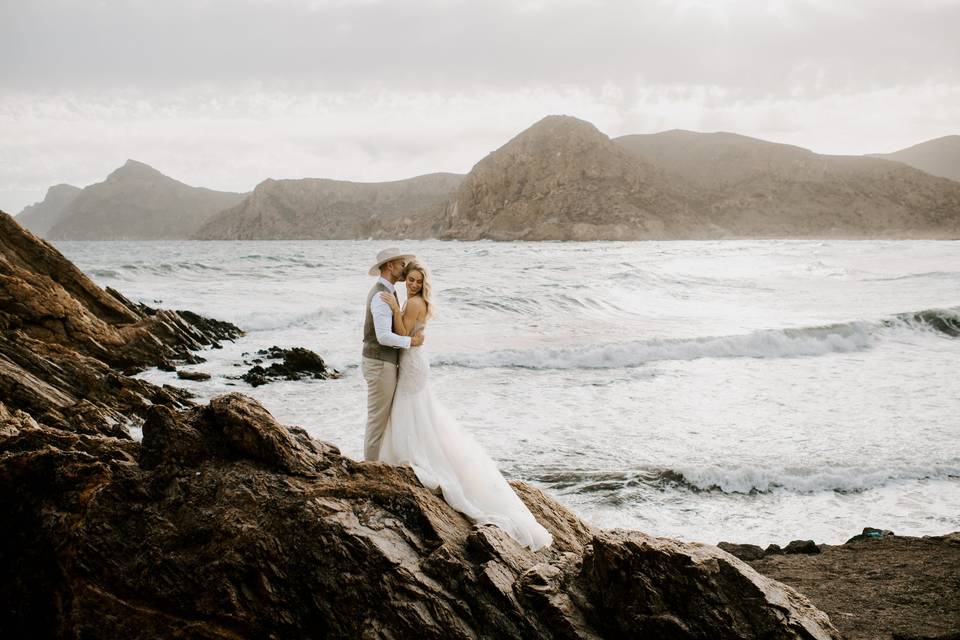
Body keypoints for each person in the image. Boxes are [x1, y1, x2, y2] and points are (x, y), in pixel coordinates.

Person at [376, 260, 553, 550]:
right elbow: (413, 337)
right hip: (415, 362)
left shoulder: (414, 304)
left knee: (411, 409)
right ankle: (412, 452)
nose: (414, 285)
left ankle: (412, 455)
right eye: (411, 280)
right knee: (419, 411)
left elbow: (405, 336)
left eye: (419, 281)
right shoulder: (413, 300)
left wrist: (394, 310)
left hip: (412, 364)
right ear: (404, 279)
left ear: (423, 283)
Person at [361, 248, 424, 462]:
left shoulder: (389, 292)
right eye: (401, 264)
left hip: (383, 363)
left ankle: (376, 465)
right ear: (390, 266)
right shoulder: (381, 295)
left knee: (382, 420)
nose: (404, 268)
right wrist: (410, 341)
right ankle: (368, 469)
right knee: (377, 421)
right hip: (379, 364)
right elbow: (383, 337)